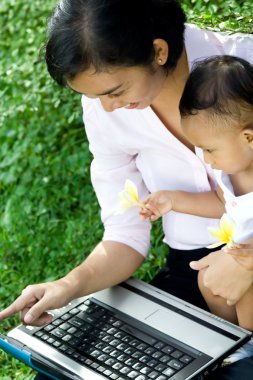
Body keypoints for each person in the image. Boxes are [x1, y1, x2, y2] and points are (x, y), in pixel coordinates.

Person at [0, 1, 253, 378]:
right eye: (93, 97)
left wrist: (246, 262)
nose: (108, 107)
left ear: (159, 51)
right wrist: (70, 286)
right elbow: (125, 234)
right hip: (194, 270)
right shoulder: (105, 112)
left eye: (114, 91)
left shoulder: (244, 64)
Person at [140, 55, 253, 333]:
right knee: (206, 277)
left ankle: (247, 346)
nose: (207, 159)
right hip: (238, 258)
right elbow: (221, 202)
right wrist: (173, 200)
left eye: (210, 150)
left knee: (247, 291)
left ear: (249, 138)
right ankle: (231, 338)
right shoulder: (230, 172)